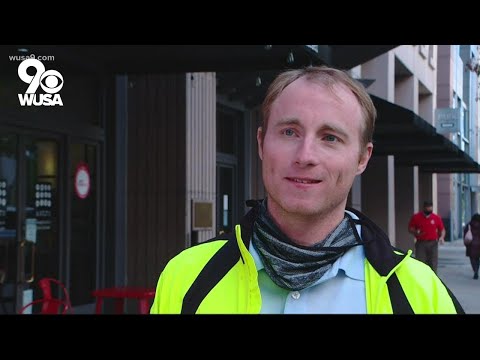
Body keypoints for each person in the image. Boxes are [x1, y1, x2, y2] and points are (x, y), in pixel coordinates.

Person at [150, 66, 464, 314]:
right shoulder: (185, 276)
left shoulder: (422, 294)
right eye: (289, 131)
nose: (305, 156)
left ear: (362, 158)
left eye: (330, 137)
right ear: (261, 143)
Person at [408, 200, 446, 273]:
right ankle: (421, 278)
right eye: (427, 207)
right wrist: (416, 232)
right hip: (421, 243)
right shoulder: (416, 217)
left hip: (433, 243)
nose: (429, 209)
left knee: (433, 262)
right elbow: (410, 228)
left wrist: (441, 237)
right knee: (420, 262)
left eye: (430, 207)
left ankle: (433, 278)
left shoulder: (436, 218)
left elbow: (442, 229)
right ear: (424, 208)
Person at [464, 213, 480, 279]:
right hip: (479, 245)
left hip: (471, 245)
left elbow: (465, 235)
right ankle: (477, 270)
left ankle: (475, 271)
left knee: (472, 259)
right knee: (477, 259)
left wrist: (465, 244)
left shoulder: (469, 225)